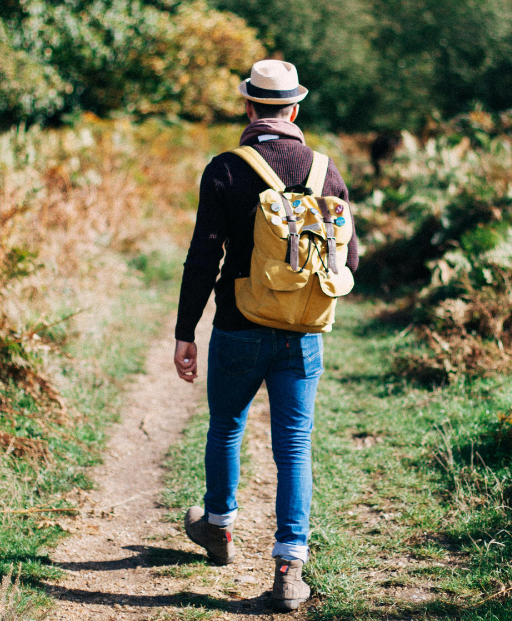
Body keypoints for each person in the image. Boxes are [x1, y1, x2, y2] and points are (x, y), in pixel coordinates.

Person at [172, 59, 358, 612]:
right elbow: (349, 257)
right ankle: (289, 567)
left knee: (226, 426)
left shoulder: (226, 168)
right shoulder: (326, 170)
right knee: (294, 445)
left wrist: (186, 331)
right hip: (302, 333)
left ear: (249, 108)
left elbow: (203, 256)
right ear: (295, 109)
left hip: (237, 324)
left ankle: (219, 529)